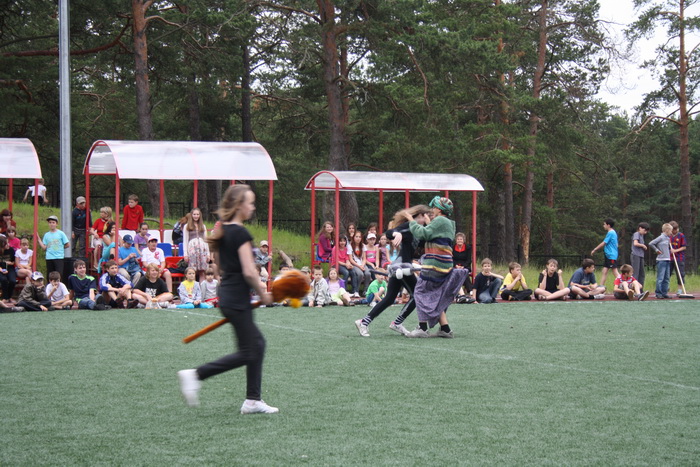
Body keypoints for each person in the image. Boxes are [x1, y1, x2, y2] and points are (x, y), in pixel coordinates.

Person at [177, 184, 277, 414]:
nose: (253, 207)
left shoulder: (223, 231)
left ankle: (252, 400)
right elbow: (250, 271)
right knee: (250, 351)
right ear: (239, 206)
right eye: (250, 203)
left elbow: (220, 267)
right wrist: (264, 294)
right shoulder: (240, 233)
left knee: (256, 345)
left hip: (228, 296)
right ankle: (196, 375)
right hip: (237, 299)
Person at [354, 205, 431, 337]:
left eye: (424, 218)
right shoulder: (409, 226)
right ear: (415, 217)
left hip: (401, 266)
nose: (423, 220)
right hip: (401, 267)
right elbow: (390, 233)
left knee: (390, 298)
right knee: (418, 295)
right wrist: (396, 233)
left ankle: (364, 322)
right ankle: (397, 323)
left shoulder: (420, 231)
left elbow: (427, 239)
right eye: (421, 217)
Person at [406, 196, 467, 338]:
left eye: (434, 207)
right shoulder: (448, 223)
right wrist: (429, 223)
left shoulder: (440, 220)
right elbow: (432, 235)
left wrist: (411, 221)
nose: (432, 209)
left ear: (439, 210)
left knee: (420, 292)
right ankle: (445, 329)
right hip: (444, 263)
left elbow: (423, 234)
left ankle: (422, 328)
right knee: (434, 295)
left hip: (435, 264)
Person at [590, 218, 619, 290]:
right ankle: (600, 287)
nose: (603, 226)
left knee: (615, 272)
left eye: (604, 224)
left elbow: (604, 243)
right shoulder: (612, 232)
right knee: (604, 271)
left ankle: (625, 284)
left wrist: (595, 249)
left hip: (611, 255)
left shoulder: (611, 233)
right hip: (608, 255)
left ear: (608, 225)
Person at [183, 208, 210, 282]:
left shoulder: (203, 226)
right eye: (194, 214)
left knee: (202, 271)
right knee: (192, 271)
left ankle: (201, 288)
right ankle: (193, 287)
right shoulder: (187, 226)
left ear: (200, 215)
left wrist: (208, 254)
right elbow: (185, 240)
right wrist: (185, 254)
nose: (196, 216)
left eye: (197, 214)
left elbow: (206, 240)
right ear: (191, 215)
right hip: (192, 250)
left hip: (202, 250)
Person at [649, 223, 673, 299]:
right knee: (660, 278)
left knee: (667, 278)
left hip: (667, 259)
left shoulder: (668, 238)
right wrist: (656, 250)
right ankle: (658, 293)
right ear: (667, 230)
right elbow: (651, 243)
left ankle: (664, 292)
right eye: (670, 231)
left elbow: (667, 248)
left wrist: (670, 250)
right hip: (661, 260)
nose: (671, 232)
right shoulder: (661, 237)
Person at [349, 231, 371, 296]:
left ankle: (366, 290)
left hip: (362, 264)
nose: (358, 238)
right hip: (354, 264)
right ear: (353, 237)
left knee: (368, 273)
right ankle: (356, 290)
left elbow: (364, 258)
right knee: (360, 274)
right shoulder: (350, 246)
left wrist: (362, 265)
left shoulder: (363, 246)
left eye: (359, 237)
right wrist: (359, 266)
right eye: (356, 237)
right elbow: (351, 259)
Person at [452, 231, 473, 299]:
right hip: (455, 266)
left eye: (461, 239)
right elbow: (451, 259)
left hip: (465, 266)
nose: (459, 240)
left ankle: (470, 290)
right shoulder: (452, 247)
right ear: (456, 240)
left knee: (464, 272)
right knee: (454, 272)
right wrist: (456, 265)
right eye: (458, 239)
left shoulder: (468, 248)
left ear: (463, 240)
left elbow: (468, 260)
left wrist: (463, 266)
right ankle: (455, 291)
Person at [669, 221, 687, 295]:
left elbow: (684, 247)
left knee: (680, 274)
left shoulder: (681, 235)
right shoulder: (668, 236)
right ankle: (665, 288)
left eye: (676, 229)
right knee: (667, 273)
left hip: (679, 258)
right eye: (673, 229)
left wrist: (675, 250)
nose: (675, 231)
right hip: (669, 258)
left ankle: (680, 290)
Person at [630, 222, 650, 288]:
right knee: (636, 273)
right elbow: (635, 243)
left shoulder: (641, 236)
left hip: (641, 255)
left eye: (646, 231)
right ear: (640, 228)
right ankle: (634, 288)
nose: (645, 232)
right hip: (635, 255)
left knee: (642, 273)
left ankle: (640, 289)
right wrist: (643, 245)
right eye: (644, 230)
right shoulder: (637, 234)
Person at [0, 235, 17, 303]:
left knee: (12, 280)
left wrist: (11, 263)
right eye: (6, 244)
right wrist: (1, 270)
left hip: (9, 267)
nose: (8, 245)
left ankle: (9, 297)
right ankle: (5, 297)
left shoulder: (11, 250)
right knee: (3, 279)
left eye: (8, 243)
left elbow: (13, 261)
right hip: (1, 268)